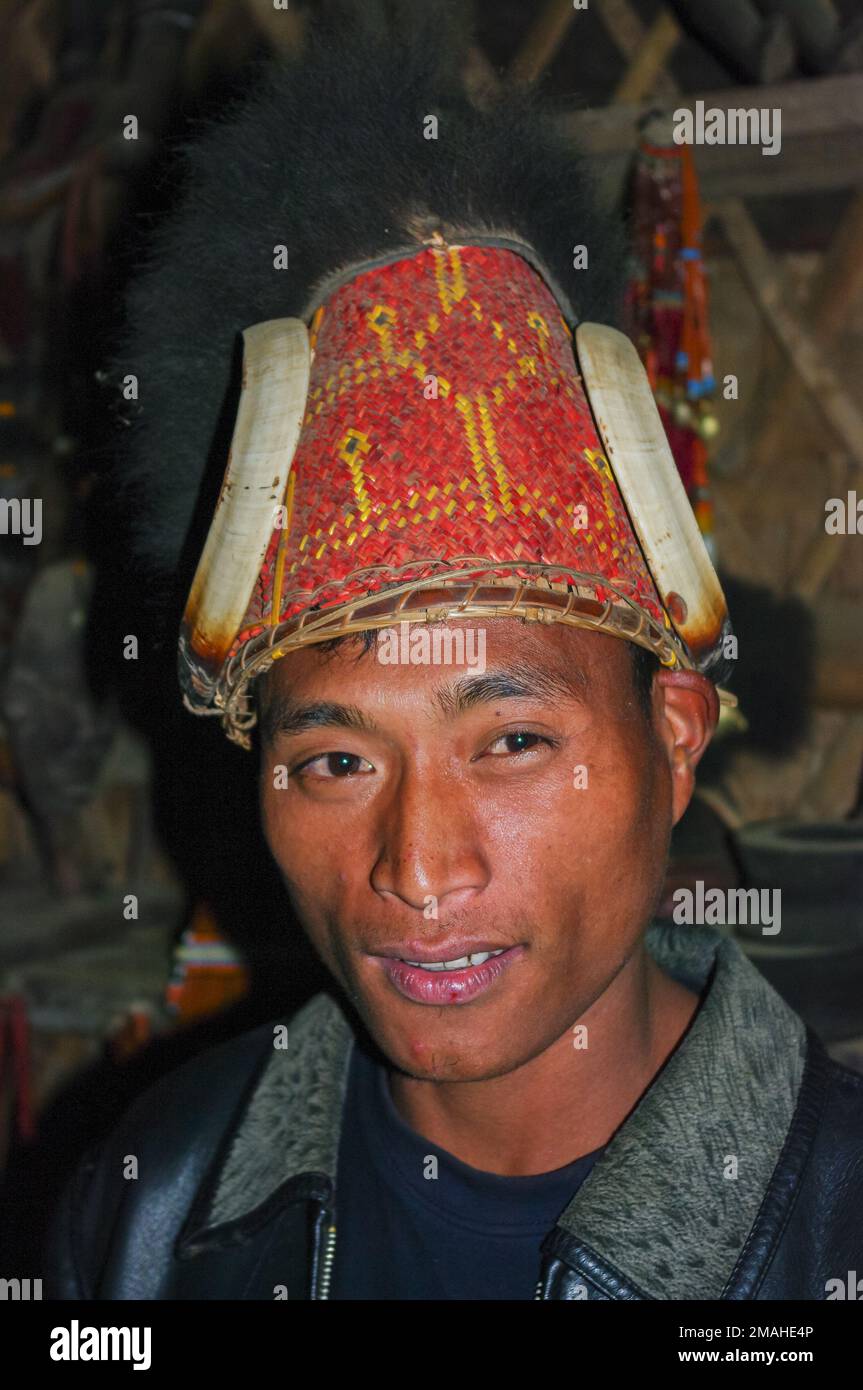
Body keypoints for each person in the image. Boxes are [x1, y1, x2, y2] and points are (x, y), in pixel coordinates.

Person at [44, 2, 863, 1301]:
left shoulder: (830, 1228)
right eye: (334, 762)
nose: (417, 871)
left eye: (514, 739)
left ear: (674, 736)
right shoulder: (157, 1207)